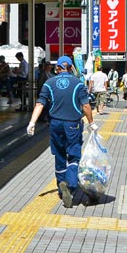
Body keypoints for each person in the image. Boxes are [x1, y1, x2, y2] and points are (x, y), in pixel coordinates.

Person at [26, 55, 97, 208]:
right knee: (73, 156)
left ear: (57, 68)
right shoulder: (78, 84)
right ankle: (70, 185)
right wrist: (92, 123)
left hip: (55, 124)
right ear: (71, 67)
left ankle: (60, 186)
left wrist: (32, 122)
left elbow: (40, 104)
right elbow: (85, 106)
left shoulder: (49, 83)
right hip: (73, 124)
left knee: (59, 154)